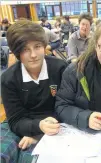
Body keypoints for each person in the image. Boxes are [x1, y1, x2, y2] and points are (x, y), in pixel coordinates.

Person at [1, 20, 67, 163]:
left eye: (37, 47)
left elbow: (68, 105)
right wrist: (37, 127)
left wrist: (39, 134)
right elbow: (15, 119)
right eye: (25, 49)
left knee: (33, 159)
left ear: (44, 46)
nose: (33, 55)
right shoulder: (8, 78)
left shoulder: (61, 68)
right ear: (17, 52)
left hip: (54, 122)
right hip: (19, 123)